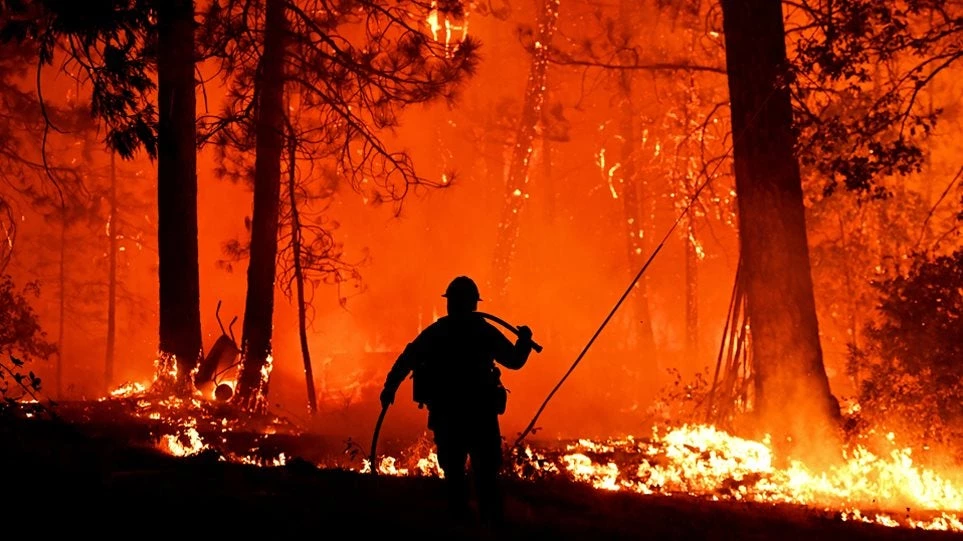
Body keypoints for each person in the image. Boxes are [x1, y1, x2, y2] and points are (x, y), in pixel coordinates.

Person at [379, 276, 534, 527]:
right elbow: (514, 360)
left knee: (454, 473)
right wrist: (524, 341)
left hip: (448, 415)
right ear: (474, 304)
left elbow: (407, 358)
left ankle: (459, 522)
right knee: (485, 474)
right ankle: (488, 523)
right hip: (480, 415)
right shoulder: (483, 331)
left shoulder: (436, 332)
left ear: (450, 303)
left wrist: (389, 388)